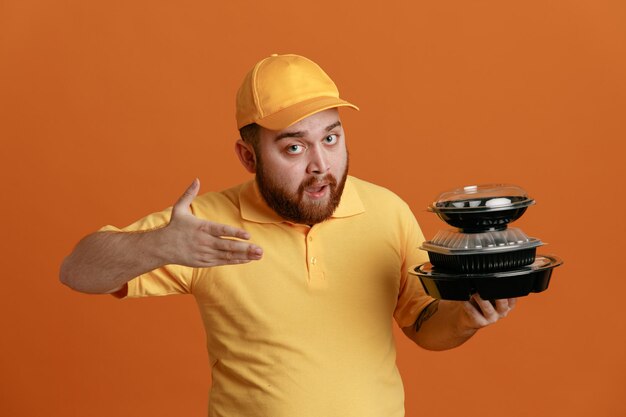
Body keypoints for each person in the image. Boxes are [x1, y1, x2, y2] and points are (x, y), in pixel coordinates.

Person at [60, 53, 516, 417]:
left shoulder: (386, 211)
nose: (320, 165)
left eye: (332, 139)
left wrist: (463, 318)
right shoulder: (205, 224)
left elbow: (423, 326)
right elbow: (77, 271)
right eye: (294, 147)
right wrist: (159, 244)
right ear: (248, 156)